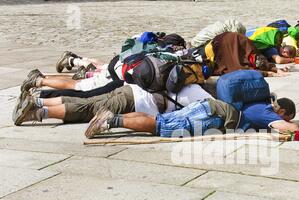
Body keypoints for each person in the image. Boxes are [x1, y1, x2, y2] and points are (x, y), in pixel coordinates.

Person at [84, 95, 299, 141]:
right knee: (159, 126)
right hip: (213, 116)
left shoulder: (258, 106)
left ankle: (114, 116)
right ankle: (110, 122)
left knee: (161, 119)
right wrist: (296, 126)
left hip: (209, 108)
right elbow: (289, 129)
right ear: (282, 111)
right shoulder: (266, 113)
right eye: (287, 115)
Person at [12, 83, 212, 126]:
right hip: (135, 102)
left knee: (86, 101)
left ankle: (37, 101)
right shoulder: (203, 96)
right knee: (88, 109)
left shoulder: (191, 81)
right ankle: (38, 112)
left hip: (130, 90)